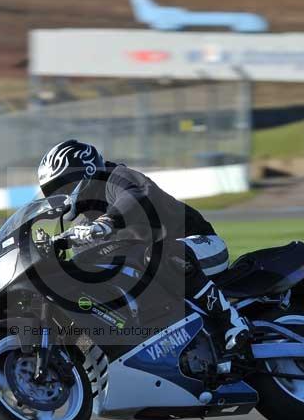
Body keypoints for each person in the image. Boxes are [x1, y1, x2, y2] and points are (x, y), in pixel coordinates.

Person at [37, 139, 250, 368]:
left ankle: (233, 323)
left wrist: (106, 222)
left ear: (87, 171)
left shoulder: (116, 177)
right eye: (53, 190)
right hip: (162, 268)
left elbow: (136, 196)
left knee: (159, 255)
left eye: (64, 185)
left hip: (201, 245)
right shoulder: (81, 223)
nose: (60, 194)